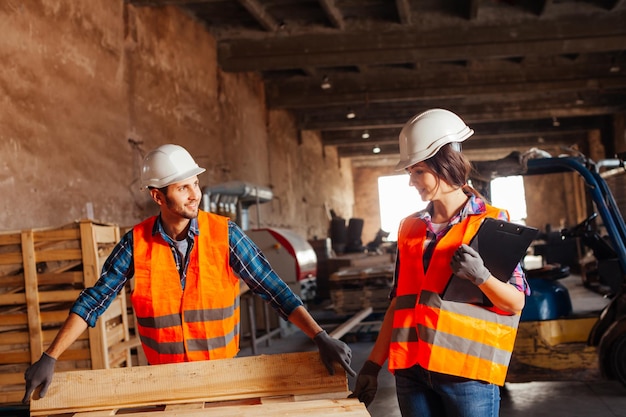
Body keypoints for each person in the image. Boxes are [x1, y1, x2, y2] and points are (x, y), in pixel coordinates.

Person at [23, 143, 355, 403]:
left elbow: (274, 289)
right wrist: (50, 356)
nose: (195, 193)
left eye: (195, 183)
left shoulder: (226, 235)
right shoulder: (135, 243)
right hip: (164, 385)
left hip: (224, 378)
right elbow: (95, 300)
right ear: (158, 196)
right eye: (183, 188)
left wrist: (319, 336)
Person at [349, 109, 530, 417]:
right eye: (410, 172)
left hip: (467, 375)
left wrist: (482, 277)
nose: (411, 182)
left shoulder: (490, 222)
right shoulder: (410, 228)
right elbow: (399, 303)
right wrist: (371, 365)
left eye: (418, 171)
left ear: (444, 164)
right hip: (411, 373)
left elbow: (515, 303)